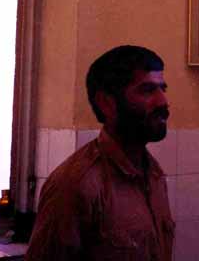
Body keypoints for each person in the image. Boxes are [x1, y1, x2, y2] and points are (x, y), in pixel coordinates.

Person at [26, 45, 174, 261]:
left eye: (162, 89)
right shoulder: (75, 185)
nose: (163, 101)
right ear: (107, 103)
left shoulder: (154, 173)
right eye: (147, 90)